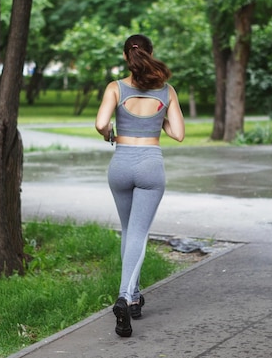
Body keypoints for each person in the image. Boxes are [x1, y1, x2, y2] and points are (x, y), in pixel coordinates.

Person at [95, 34, 185, 337]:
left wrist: (110, 133)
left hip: (120, 165)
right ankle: (124, 296)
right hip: (150, 166)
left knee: (128, 232)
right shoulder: (166, 90)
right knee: (139, 234)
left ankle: (133, 297)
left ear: (126, 56)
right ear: (150, 54)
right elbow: (178, 133)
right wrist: (157, 117)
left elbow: (100, 124)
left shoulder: (115, 88)